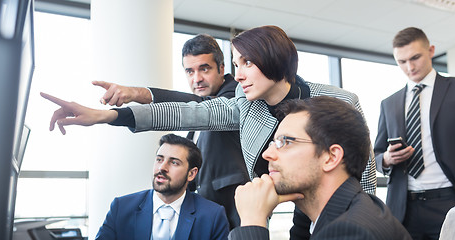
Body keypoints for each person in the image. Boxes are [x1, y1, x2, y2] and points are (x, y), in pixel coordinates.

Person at [41, 25, 377, 238]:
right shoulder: (245, 104)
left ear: (274, 58)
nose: (239, 74)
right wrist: (107, 115)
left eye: (247, 62)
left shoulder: (339, 100)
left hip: (341, 212)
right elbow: (188, 111)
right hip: (300, 211)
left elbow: (363, 174)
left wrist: (371, 218)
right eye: (236, 65)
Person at [91, 34, 248, 229]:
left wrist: (135, 95)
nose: (197, 79)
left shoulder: (238, 95)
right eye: (189, 71)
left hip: (235, 218)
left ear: (222, 68)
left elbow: (203, 108)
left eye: (204, 69)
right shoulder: (195, 124)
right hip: (203, 220)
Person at [229, 96, 411, 240]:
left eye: (284, 142)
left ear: (331, 157)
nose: (267, 154)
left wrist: (253, 221)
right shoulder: (345, 211)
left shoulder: (351, 231)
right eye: (273, 143)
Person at [374, 27, 455, 239]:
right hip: (404, 207)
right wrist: (387, 158)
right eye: (401, 61)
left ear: (431, 50)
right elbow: (377, 153)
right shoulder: (389, 103)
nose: (409, 67)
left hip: (449, 200)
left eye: (415, 57)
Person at [95, 133, 229, 240]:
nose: (162, 167)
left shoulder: (213, 216)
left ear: (191, 174)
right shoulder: (121, 208)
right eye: (159, 159)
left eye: (174, 162)